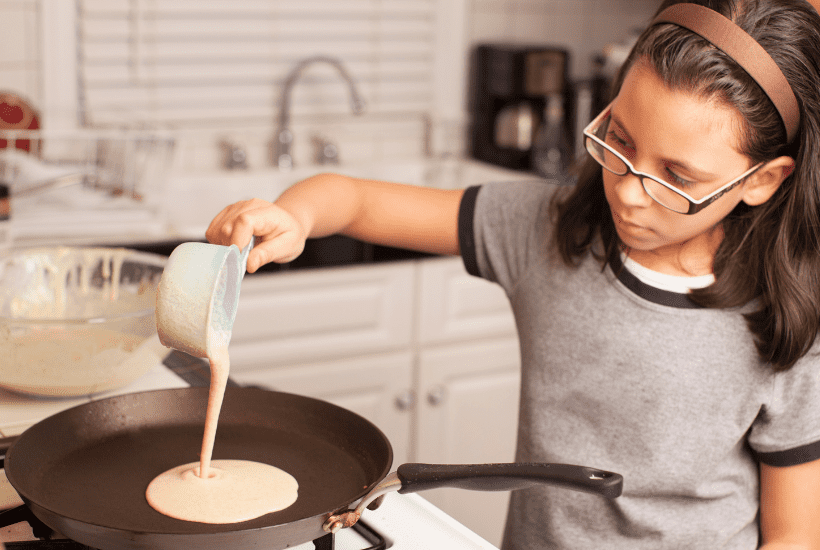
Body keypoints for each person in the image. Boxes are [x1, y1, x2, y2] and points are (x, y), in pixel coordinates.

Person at [206, 0, 820, 547]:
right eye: (621, 141)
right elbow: (355, 198)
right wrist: (294, 213)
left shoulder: (788, 321)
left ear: (763, 180)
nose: (630, 193)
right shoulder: (543, 231)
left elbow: (795, 532)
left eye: (676, 178)